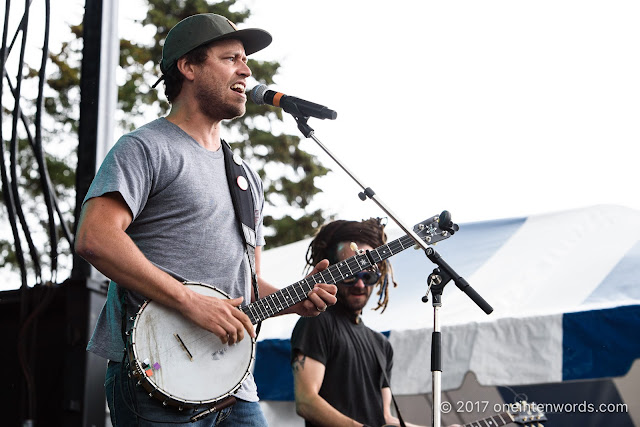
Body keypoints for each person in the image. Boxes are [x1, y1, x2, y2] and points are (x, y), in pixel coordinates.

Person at [74, 13, 336, 427]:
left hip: (235, 385)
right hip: (156, 377)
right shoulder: (144, 148)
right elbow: (95, 238)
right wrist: (189, 302)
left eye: (246, 60)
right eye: (231, 58)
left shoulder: (246, 178)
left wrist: (293, 299)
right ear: (189, 66)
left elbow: (245, 285)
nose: (247, 70)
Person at [290, 218, 459, 427]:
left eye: (368, 275)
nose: (360, 284)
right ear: (334, 273)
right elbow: (307, 402)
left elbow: (385, 419)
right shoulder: (318, 322)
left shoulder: (381, 345)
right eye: (350, 275)